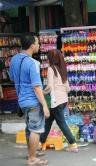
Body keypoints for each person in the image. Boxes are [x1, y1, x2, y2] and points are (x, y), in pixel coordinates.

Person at [9, 33, 50, 165]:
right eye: (38, 43)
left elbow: (13, 78)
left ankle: (31, 153)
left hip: (22, 101)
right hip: (33, 101)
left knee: (29, 129)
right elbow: (36, 86)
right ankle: (32, 158)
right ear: (32, 46)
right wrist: (44, 105)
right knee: (36, 129)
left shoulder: (14, 59)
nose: (39, 45)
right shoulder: (33, 63)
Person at [39, 49, 78, 152]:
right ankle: (41, 143)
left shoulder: (51, 69)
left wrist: (41, 93)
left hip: (56, 100)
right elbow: (68, 88)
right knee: (48, 121)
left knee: (61, 123)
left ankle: (73, 144)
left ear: (51, 59)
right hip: (63, 100)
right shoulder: (62, 69)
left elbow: (49, 86)